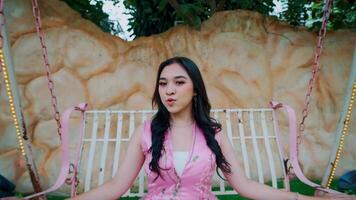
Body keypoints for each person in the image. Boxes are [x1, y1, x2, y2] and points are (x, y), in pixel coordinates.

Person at [72, 57, 352, 200]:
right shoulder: (146, 132)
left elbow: (244, 186)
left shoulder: (213, 134)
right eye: (163, 83)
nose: (169, 90)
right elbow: (116, 187)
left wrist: (297, 197)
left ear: (195, 90)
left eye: (179, 82)